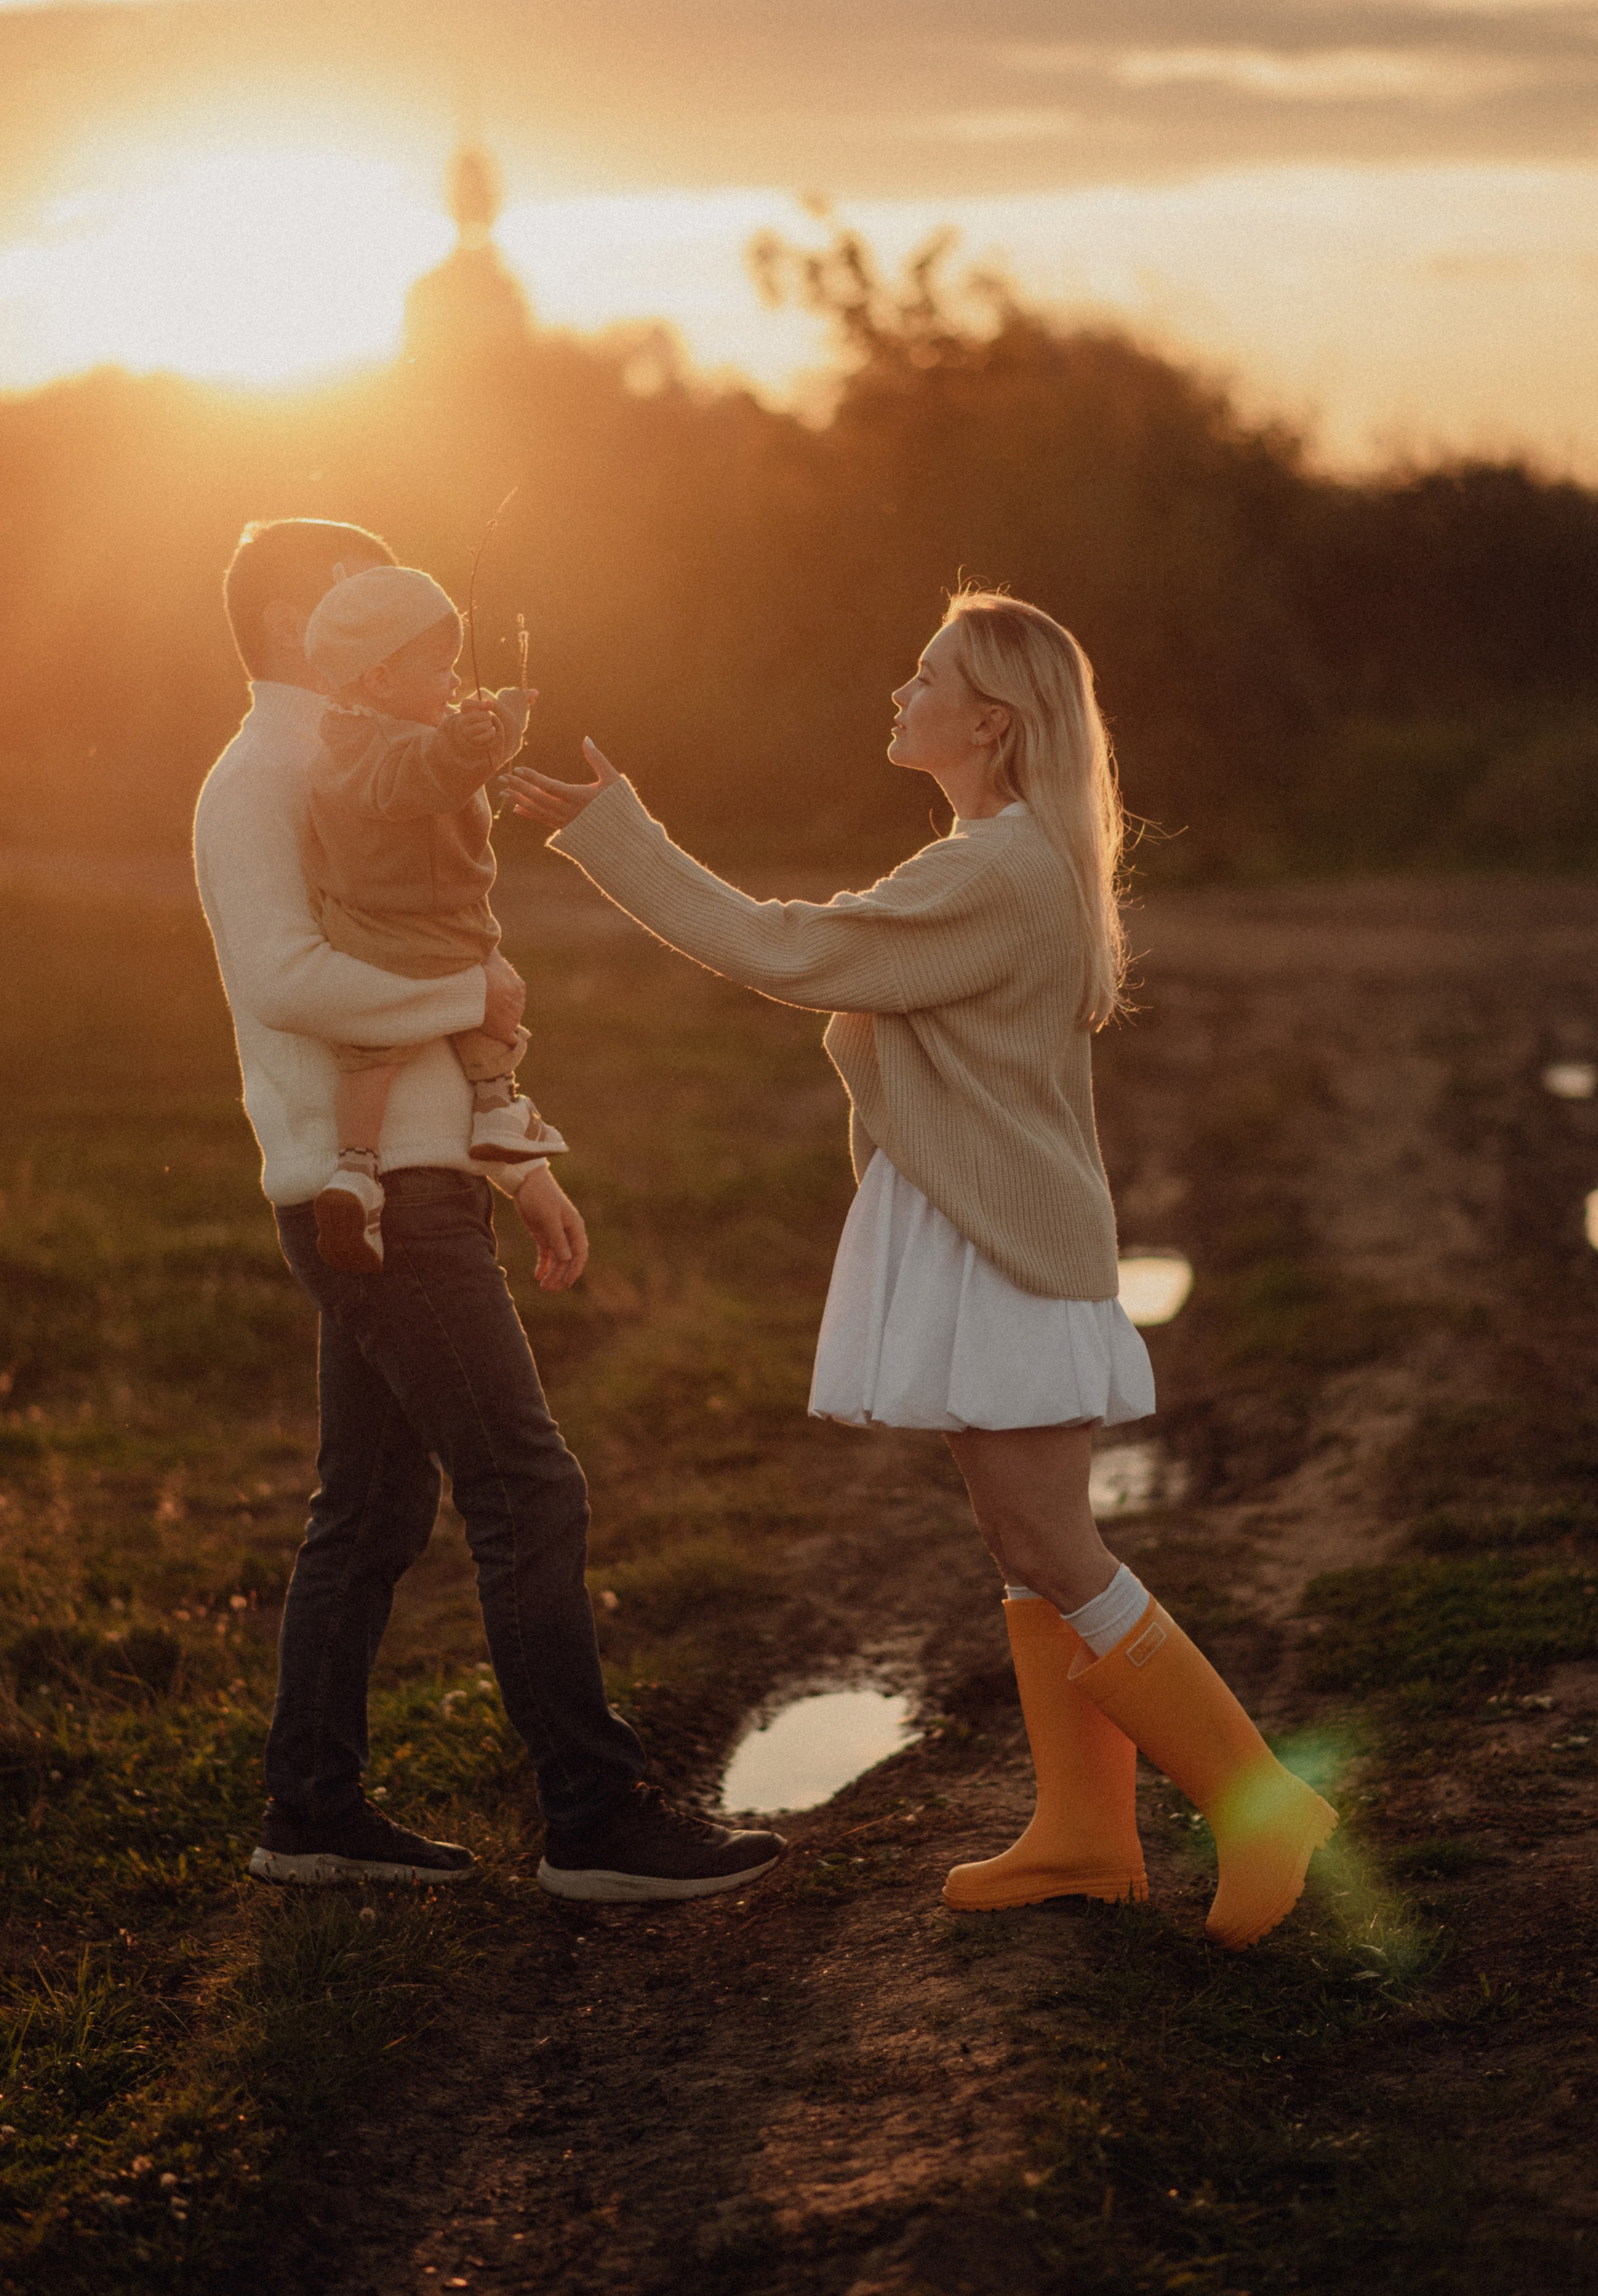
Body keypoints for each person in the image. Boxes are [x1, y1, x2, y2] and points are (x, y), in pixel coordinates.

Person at [508, 590, 1336, 1950]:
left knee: (1049, 1542)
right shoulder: (988, 858)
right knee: (1021, 1544)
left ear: (991, 722)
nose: (900, 693)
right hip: (979, 1229)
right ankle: (1085, 1836)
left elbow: (781, 948)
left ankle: (1263, 1804)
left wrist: (617, 833)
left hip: (1001, 1241)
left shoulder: (996, 870)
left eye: (927, 675)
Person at [194, 516, 785, 1902]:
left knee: (372, 1509)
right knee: (525, 1484)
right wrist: (476, 998)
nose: (400, 617)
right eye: (356, 593)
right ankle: (594, 1820)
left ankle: (311, 1814)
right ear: (286, 620)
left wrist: (517, 1163)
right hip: (372, 1198)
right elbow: (284, 978)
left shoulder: (373, 755)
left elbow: (439, 932)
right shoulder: (263, 774)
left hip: (421, 1176)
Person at [299, 561, 564, 1276]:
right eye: (440, 668)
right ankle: (494, 1106)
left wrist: (500, 719)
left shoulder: (362, 737)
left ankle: (357, 1169)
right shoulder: (386, 752)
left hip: (376, 930)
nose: (452, 683)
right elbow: (429, 774)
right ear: (381, 679)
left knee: (372, 1059)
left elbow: (453, 756)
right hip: (428, 928)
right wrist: (480, 735)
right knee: (491, 996)